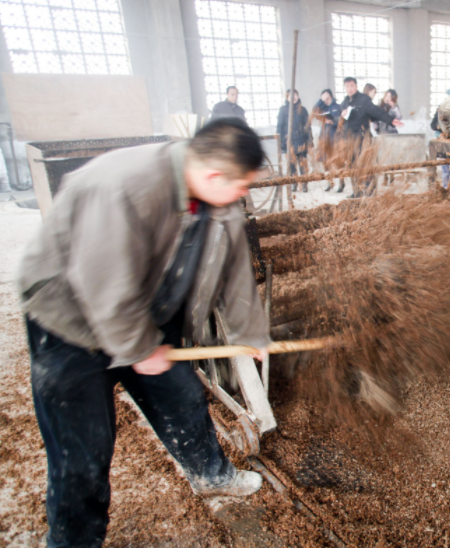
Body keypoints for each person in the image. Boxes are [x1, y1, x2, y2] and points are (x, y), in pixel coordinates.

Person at [17, 118, 271, 547]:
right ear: (213, 174)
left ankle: (212, 475)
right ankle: (71, 540)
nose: (244, 194)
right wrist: (139, 347)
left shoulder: (218, 200)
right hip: (71, 322)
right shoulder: (125, 187)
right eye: (242, 185)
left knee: (184, 397)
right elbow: (103, 281)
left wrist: (251, 333)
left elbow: (233, 271)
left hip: (146, 314)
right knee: (84, 448)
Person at [338, 77, 404, 197]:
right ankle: (357, 191)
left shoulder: (364, 100)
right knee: (353, 167)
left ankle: (370, 191)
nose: (349, 88)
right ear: (345, 88)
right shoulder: (345, 102)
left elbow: (376, 111)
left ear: (356, 86)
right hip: (350, 141)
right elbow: (340, 117)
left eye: (351, 86)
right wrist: (341, 113)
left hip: (363, 139)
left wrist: (391, 120)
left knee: (366, 165)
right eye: (347, 86)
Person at [276, 89, 313, 193]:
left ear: (298, 95)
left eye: (295, 94)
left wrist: (310, 139)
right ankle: (294, 183)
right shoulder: (283, 110)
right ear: (287, 97)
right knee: (291, 165)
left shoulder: (303, 109)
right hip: (290, 142)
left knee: (303, 164)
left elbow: (307, 126)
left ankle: (304, 184)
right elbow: (280, 126)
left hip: (301, 140)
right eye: (290, 95)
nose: (293, 97)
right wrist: (281, 141)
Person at [313, 89, 342, 191]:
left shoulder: (337, 107)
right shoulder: (322, 108)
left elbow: (341, 120)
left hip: (335, 138)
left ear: (330, 95)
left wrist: (332, 122)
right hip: (324, 139)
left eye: (326, 96)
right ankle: (330, 182)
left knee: (338, 162)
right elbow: (314, 110)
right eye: (323, 97)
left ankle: (341, 183)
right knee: (325, 162)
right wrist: (321, 101)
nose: (325, 98)